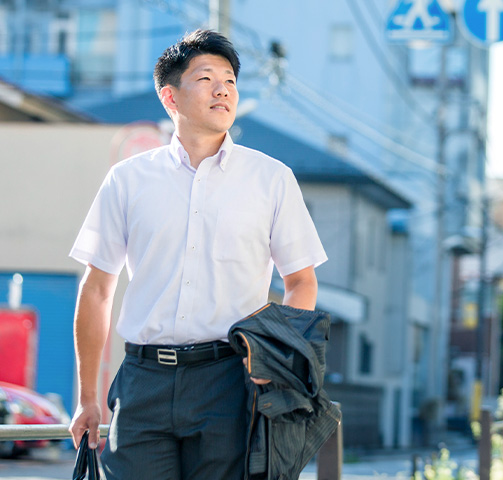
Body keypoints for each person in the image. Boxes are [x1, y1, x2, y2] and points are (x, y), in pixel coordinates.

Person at [68, 29, 327, 480]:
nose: (223, 88)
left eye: (229, 79)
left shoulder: (271, 178)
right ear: (170, 97)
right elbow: (96, 291)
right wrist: (86, 397)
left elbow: (301, 281)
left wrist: (276, 359)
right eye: (206, 78)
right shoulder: (127, 180)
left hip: (230, 380)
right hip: (142, 381)